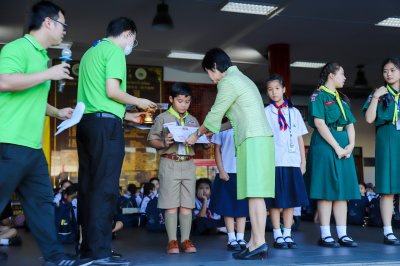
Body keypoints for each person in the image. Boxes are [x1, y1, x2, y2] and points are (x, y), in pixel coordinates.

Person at [0, 1, 93, 265]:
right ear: (49, 22)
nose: (65, 30)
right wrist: (47, 73)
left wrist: (57, 112)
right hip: (8, 142)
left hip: (31, 148)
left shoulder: (41, 57)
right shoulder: (17, 48)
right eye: (63, 24)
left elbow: (30, 98)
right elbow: (4, 81)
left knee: (42, 204)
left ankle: (54, 257)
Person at [76, 17, 156, 265]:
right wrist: (139, 102)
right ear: (128, 34)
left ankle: (88, 248)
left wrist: (127, 114)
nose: (132, 44)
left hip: (87, 124)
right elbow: (112, 91)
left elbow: (100, 98)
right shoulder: (115, 51)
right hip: (106, 129)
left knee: (89, 187)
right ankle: (100, 253)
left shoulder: (91, 51)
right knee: (106, 189)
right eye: (134, 39)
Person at [185, 48, 275, 260]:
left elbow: (216, 113)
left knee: (254, 194)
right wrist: (212, 130)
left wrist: (196, 135)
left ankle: (259, 243)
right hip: (258, 138)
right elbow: (232, 120)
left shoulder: (228, 81)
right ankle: (254, 242)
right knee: (255, 194)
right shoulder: (242, 78)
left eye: (209, 72)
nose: (210, 77)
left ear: (215, 67)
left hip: (252, 139)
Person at [305, 62, 360, 248]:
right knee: (326, 191)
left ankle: (343, 234)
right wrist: (337, 146)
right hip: (325, 144)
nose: (344, 78)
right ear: (331, 75)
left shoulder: (341, 99)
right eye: (342, 74)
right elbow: (319, 123)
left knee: (342, 192)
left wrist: (351, 145)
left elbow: (350, 124)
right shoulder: (318, 95)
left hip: (344, 145)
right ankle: (326, 234)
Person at [147, 82, 203, 254]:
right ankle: (172, 241)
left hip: (187, 163)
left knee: (187, 203)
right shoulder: (162, 118)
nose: (183, 105)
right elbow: (151, 140)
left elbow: (198, 144)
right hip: (169, 162)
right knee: (170, 204)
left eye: (187, 102)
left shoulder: (193, 121)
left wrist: (204, 144)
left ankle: (185, 240)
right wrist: (164, 142)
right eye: (180, 101)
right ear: (171, 99)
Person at [264, 74, 309, 249]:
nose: (274, 92)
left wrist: (302, 162)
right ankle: (277, 235)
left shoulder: (294, 112)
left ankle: (288, 234)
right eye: (270, 89)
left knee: (290, 200)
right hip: (274, 162)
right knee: (276, 202)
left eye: (277, 88)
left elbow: (299, 139)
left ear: (283, 89)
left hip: (292, 161)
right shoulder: (266, 112)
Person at [363, 57, 400, 245]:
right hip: (387, 137)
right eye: (385, 71)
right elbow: (369, 119)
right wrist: (376, 97)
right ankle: (388, 231)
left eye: (392, 70)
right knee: (387, 189)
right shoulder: (380, 93)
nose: (388, 74)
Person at [209, 128, 249, 251]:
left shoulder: (246, 126)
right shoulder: (221, 128)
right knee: (228, 207)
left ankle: (241, 237)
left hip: (244, 171)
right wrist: (221, 170)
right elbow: (217, 150)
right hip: (226, 171)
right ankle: (231, 237)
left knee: (242, 206)